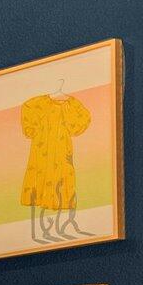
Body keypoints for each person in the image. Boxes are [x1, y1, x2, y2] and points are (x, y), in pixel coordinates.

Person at [17, 90, 95, 243]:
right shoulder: (38, 103)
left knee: (62, 186)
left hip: (61, 151)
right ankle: (38, 231)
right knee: (39, 187)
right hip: (42, 152)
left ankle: (59, 228)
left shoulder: (72, 104)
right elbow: (27, 114)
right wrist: (33, 130)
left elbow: (83, 120)